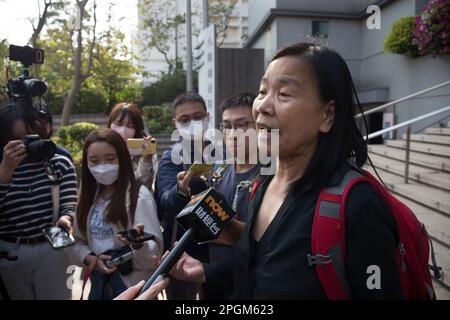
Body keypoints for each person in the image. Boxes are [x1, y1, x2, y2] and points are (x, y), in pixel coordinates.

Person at [154, 43, 403, 299]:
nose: (262, 106)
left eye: (284, 94)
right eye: (263, 91)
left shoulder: (357, 206)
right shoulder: (262, 184)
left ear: (327, 114)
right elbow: (257, 257)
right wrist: (205, 271)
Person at [68, 128, 163, 300]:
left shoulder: (139, 196)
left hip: (132, 286)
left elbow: (153, 257)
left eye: (110, 159)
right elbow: (78, 241)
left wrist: (138, 244)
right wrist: (92, 260)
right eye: (94, 161)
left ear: (122, 158)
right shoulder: (87, 197)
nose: (102, 167)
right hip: (98, 285)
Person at [0, 103, 77, 300]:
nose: (26, 145)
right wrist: (5, 174)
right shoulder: (2, 167)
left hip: (53, 243)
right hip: (10, 250)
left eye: (31, 137)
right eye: (17, 140)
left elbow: (69, 201)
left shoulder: (59, 163)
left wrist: (66, 217)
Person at [154, 92, 211, 299]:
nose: (193, 123)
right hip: (183, 252)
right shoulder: (171, 158)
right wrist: (181, 190)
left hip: (218, 252)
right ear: (175, 123)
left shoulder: (223, 154)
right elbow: (166, 201)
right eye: (185, 120)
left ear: (208, 116)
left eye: (198, 117)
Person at [206, 93, 260, 299]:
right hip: (214, 284)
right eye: (227, 126)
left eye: (242, 124)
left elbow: (258, 242)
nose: (233, 133)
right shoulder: (219, 174)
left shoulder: (271, 177)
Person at [106, 102, 154, 191]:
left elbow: (144, 186)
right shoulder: (102, 150)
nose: (123, 130)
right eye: (118, 124)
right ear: (110, 124)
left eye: (130, 125)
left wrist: (146, 161)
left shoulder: (143, 156)